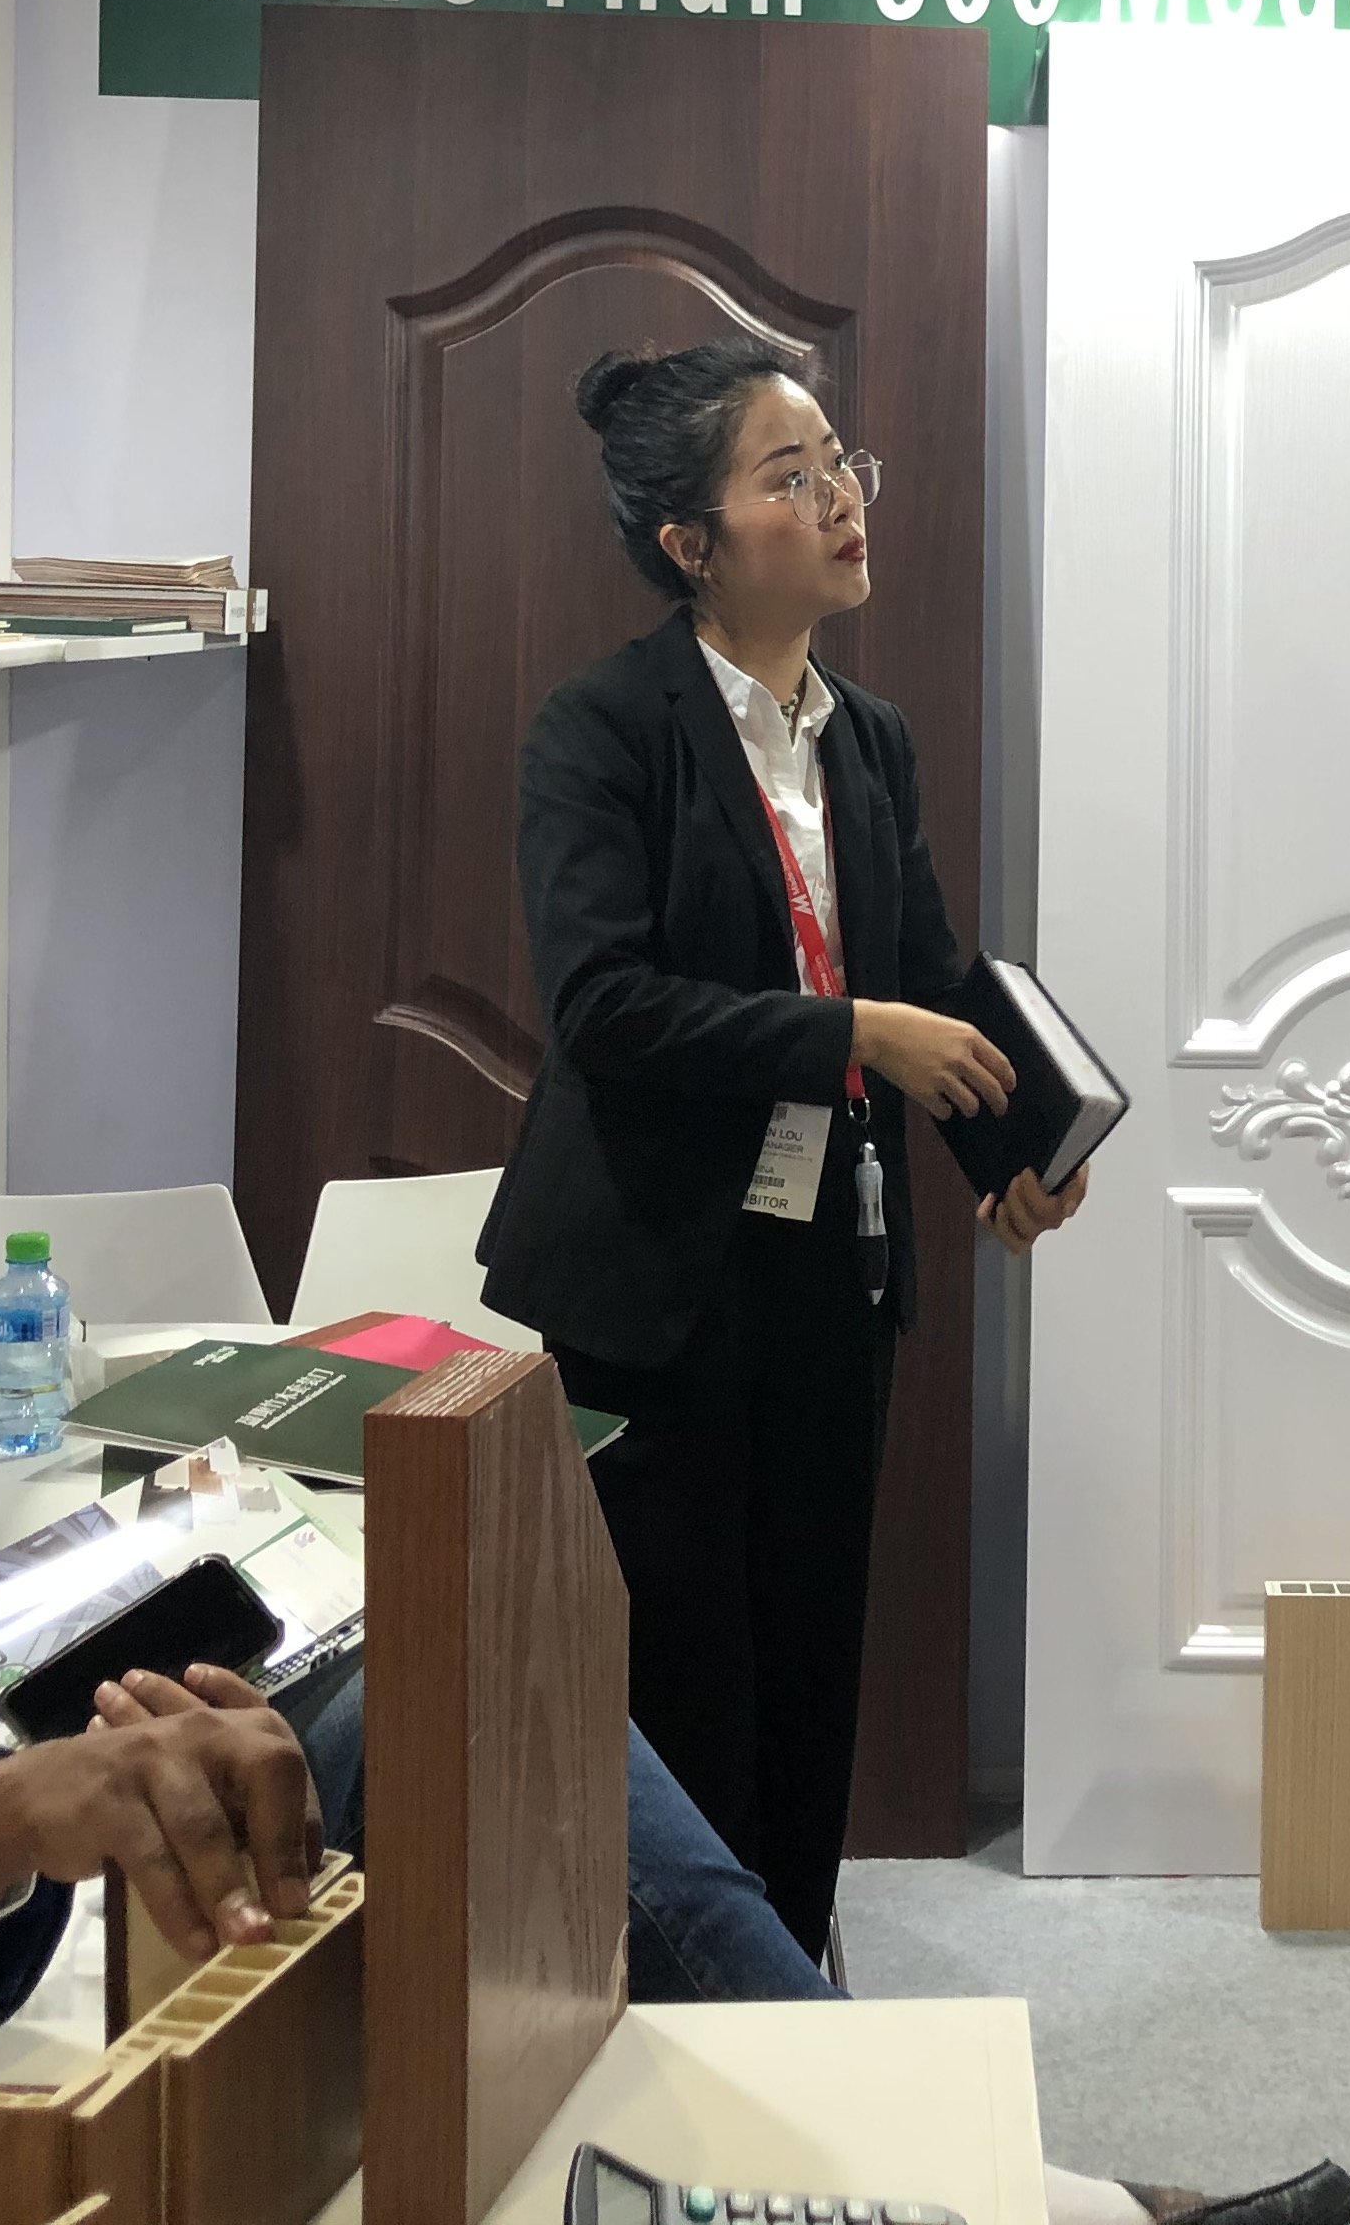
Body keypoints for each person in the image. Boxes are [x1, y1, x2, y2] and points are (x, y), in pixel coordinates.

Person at [0, 725, 1344, 2225]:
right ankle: (980, 2201)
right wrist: (0, 1815)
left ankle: (945, 2182)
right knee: (439, 1784)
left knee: (442, 1696)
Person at [487, 340, 1083, 1975]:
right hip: (653, 1286)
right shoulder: (603, 730)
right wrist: (847, 1034)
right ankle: (678, 2008)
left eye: (841, 464)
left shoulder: (865, 737)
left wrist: (1018, 1147)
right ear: (691, 541)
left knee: (815, 1662)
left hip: (832, 1269)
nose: (839, 499)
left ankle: (796, 1975)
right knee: (684, 1680)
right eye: (791, 475)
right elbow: (606, 1007)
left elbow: (933, 976)